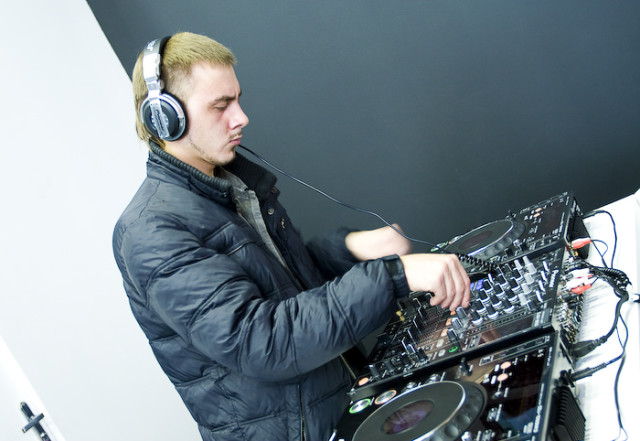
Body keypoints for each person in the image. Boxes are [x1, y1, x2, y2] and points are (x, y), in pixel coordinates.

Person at [112, 32, 470, 441]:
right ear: (165, 117)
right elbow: (260, 341)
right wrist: (393, 276)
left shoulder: (233, 186)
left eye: (238, 100)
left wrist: (350, 249)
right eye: (221, 106)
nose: (241, 117)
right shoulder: (150, 231)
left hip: (341, 406)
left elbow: (286, 285)